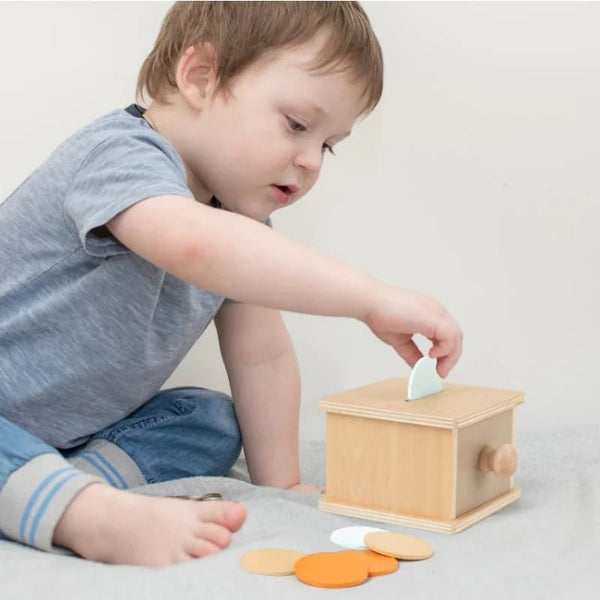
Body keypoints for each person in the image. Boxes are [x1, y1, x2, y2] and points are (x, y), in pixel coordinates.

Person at [0, 1, 462, 567]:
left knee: (210, 420)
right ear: (199, 77)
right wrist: (368, 299)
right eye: (296, 125)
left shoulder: (241, 227)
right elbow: (196, 245)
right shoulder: (118, 155)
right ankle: (77, 512)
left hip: (58, 435)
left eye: (328, 144)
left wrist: (282, 484)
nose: (312, 160)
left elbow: (261, 356)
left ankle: (52, 482)